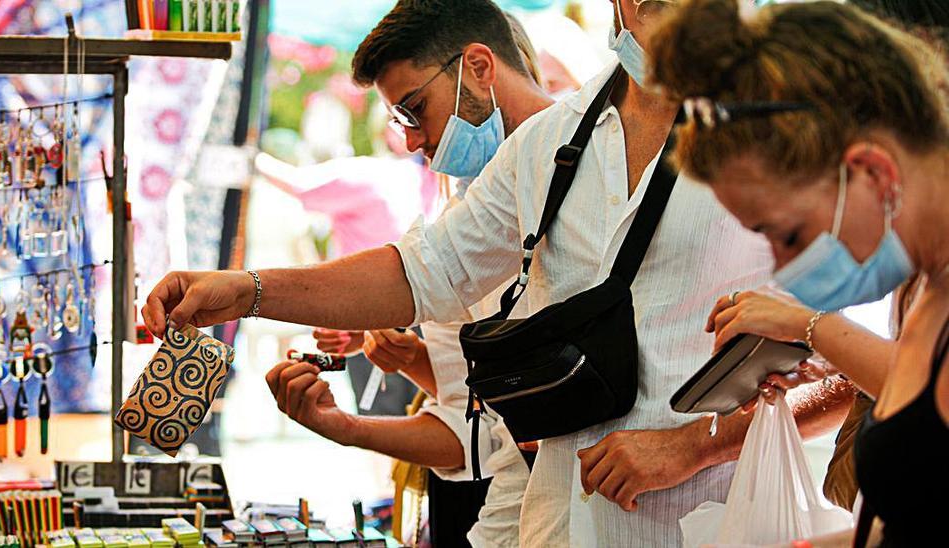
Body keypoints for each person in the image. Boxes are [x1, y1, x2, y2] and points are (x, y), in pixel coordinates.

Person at [142, 0, 850, 544]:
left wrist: (691, 448)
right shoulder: (553, 142)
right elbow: (422, 271)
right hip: (554, 526)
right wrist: (247, 290)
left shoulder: (791, 132)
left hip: (714, 523)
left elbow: (861, 365)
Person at [644, 0, 949, 545]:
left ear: (873, 171)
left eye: (788, 236)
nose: (783, 268)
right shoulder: (927, 283)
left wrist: (813, 327)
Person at [266, 2, 555, 546]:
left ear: (480, 67)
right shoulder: (465, 212)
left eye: (415, 109)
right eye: (400, 119)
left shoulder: (593, 166)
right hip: (522, 505)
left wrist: (248, 291)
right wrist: (351, 423)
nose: (412, 140)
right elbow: (475, 425)